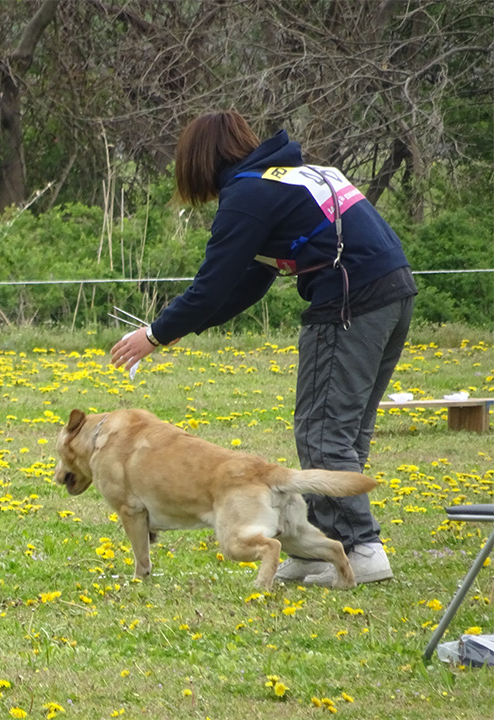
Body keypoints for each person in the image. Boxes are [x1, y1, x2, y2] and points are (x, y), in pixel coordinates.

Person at [110, 110, 417, 587]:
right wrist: (179, 331)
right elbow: (248, 283)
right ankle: (320, 548)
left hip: (348, 301)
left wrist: (153, 335)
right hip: (394, 294)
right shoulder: (289, 177)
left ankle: (361, 549)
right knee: (346, 431)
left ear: (200, 160)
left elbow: (212, 286)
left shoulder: (249, 194)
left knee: (322, 431)